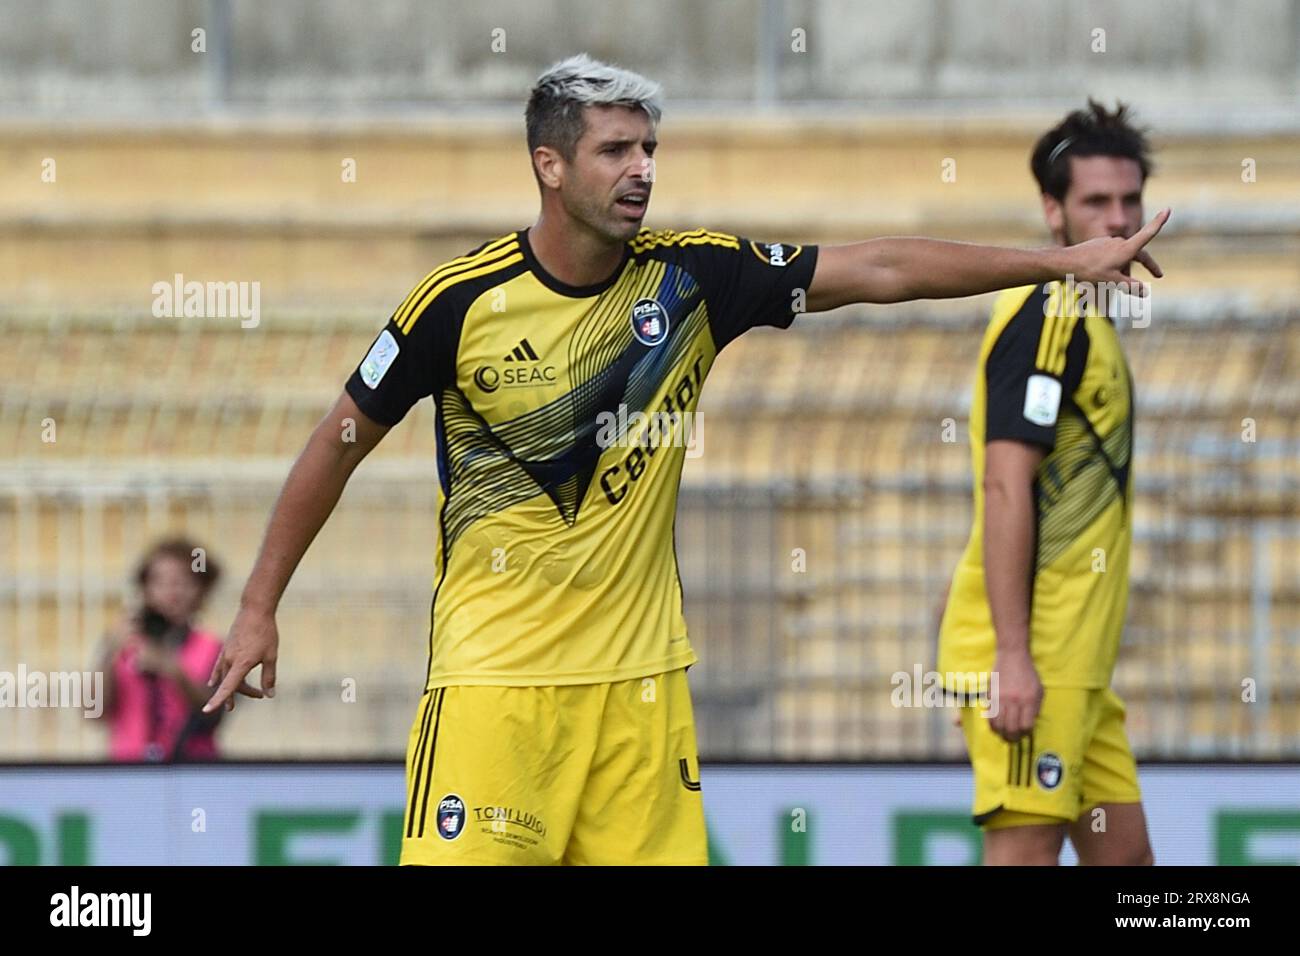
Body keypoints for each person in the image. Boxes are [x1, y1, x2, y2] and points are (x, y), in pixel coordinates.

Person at [206, 55, 1169, 865]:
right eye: (615, 150)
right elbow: (336, 445)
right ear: (549, 164)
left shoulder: (695, 277)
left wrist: (1054, 262)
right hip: (496, 692)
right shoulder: (456, 303)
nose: (641, 170)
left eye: (650, 149)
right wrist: (257, 607)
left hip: (643, 694)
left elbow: (880, 270)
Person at [937, 100, 1157, 865]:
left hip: (1081, 665)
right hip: (1037, 656)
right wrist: (1012, 655)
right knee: (1025, 855)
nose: (1117, 218)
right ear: (1052, 210)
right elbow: (1006, 485)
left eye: (1129, 201)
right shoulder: (1049, 312)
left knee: (1126, 863)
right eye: (1096, 201)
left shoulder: (1089, 315)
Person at [100, 538, 225, 762]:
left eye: (182, 582)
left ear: (201, 590)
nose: (171, 592)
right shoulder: (123, 641)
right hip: (128, 768)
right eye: (160, 582)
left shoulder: (212, 647)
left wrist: (172, 670)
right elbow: (95, 712)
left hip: (194, 769)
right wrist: (109, 655)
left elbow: (214, 713)